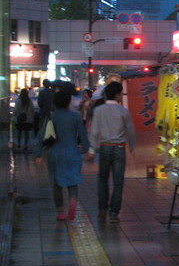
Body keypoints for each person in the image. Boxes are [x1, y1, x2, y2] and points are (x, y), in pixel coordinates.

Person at [34, 90, 90, 221]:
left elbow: (42, 136)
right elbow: (83, 135)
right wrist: (88, 150)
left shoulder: (51, 117)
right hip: (72, 152)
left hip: (55, 153)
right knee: (73, 182)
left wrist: (38, 154)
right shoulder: (76, 116)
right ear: (69, 101)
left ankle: (60, 212)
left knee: (57, 184)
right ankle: (72, 201)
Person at [86, 81, 136, 222]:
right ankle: (114, 212)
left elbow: (94, 131)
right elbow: (131, 131)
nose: (121, 96)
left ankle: (102, 208)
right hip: (119, 148)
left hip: (104, 147)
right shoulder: (123, 111)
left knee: (103, 179)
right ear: (117, 94)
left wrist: (91, 149)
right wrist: (132, 147)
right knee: (118, 181)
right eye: (121, 93)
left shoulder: (98, 110)